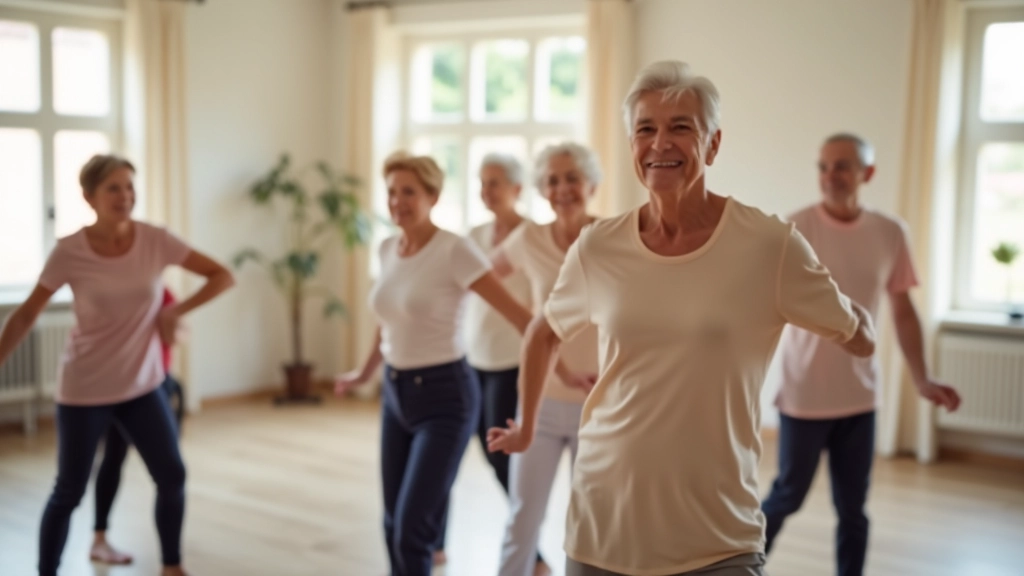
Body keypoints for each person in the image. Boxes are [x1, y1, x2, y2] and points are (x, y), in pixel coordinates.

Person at [488, 60, 877, 576]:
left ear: (713, 144)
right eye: (645, 129)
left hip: (716, 532)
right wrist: (529, 424)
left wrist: (844, 310)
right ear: (631, 145)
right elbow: (543, 331)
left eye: (681, 128)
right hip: (604, 520)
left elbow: (861, 337)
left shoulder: (769, 246)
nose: (659, 143)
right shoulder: (599, 246)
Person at [334, 152, 585, 576]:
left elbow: (525, 319)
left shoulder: (455, 250)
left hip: (444, 395)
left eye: (409, 192)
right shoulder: (386, 249)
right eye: (392, 192)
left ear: (432, 195)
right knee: (392, 520)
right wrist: (364, 371)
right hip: (395, 395)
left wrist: (564, 371)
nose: (398, 201)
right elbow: (387, 318)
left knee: (412, 530)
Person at [0, 154, 235, 576]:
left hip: (142, 386)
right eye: (113, 188)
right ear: (89, 197)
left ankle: (171, 566)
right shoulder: (69, 251)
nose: (125, 196)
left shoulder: (156, 239)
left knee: (172, 475)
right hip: (84, 389)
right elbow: (26, 315)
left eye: (130, 186)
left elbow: (221, 275)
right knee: (69, 490)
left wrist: (174, 312)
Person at [760, 133, 962, 576]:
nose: (830, 176)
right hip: (804, 396)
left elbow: (904, 312)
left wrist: (922, 378)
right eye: (823, 166)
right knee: (786, 497)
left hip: (860, 398)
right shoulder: (793, 230)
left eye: (842, 166)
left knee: (854, 509)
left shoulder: (890, 233)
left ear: (867, 173)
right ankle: (741, 568)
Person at [490, 143, 601, 576]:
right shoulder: (530, 239)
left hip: (600, 404)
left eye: (572, 177)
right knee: (523, 517)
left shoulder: (612, 236)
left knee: (592, 525)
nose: (562, 188)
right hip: (540, 402)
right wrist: (523, 319)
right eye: (552, 180)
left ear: (590, 183)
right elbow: (480, 276)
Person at [442, 152, 550, 575]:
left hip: (513, 360)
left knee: (499, 455)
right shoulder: (474, 234)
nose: (486, 191)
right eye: (482, 183)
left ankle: (533, 551)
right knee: (461, 449)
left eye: (495, 183)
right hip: (473, 356)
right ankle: (434, 543)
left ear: (517, 190)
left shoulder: (533, 236)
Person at [89, 287, 187, 566]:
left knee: (158, 470)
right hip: (132, 387)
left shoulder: (159, 292)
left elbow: (172, 336)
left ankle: (102, 539)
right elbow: (172, 334)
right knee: (123, 460)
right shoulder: (143, 293)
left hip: (155, 383)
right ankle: (100, 540)